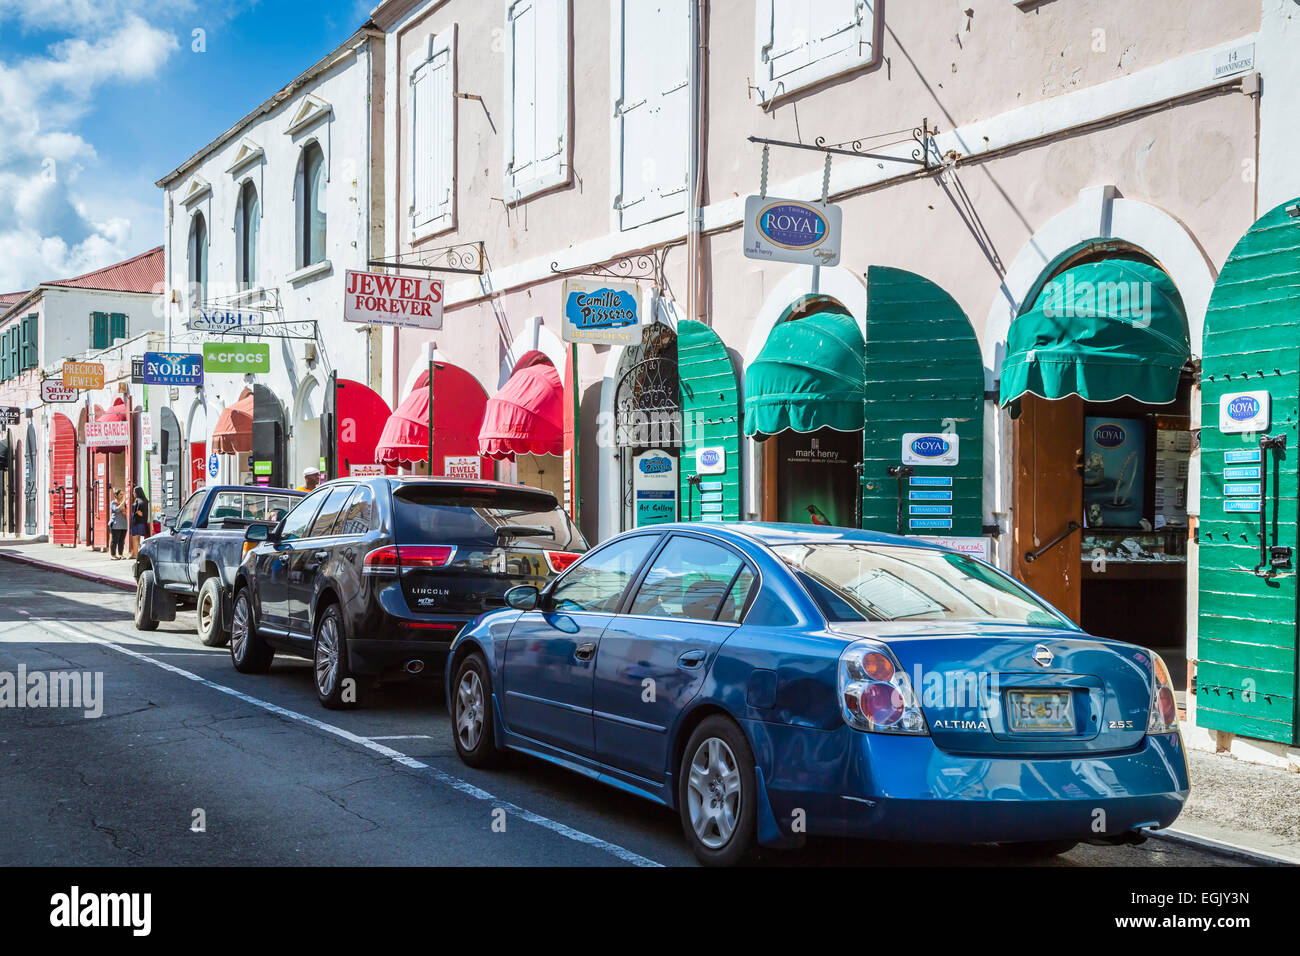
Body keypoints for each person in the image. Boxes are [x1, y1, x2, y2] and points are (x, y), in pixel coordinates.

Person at [129, 486, 150, 558]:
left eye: (134, 492)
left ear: (137, 492)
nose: (133, 493)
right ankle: (135, 553)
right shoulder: (145, 500)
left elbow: (139, 511)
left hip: (137, 522)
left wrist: (136, 511)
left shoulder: (138, 500)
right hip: (142, 522)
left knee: (135, 538)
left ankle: (135, 554)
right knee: (137, 538)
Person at [108, 489, 128, 560]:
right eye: (120, 494)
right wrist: (122, 504)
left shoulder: (123, 503)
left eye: (122, 494)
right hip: (116, 524)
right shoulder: (113, 503)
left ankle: (120, 554)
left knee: (121, 541)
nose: (122, 496)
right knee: (115, 540)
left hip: (124, 524)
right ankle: (113, 555)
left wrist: (122, 507)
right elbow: (116, 510)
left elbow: (124, 511)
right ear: (116, 495)